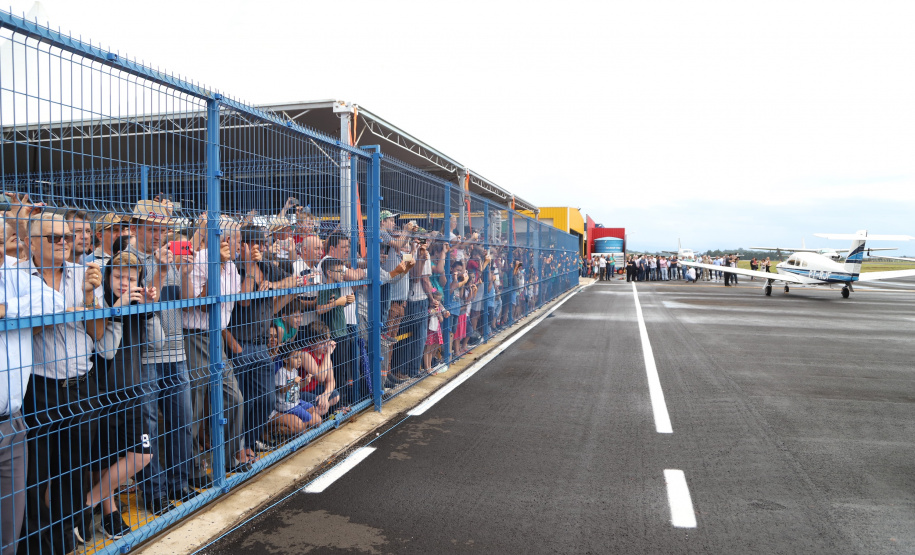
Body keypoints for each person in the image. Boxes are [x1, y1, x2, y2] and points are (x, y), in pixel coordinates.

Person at [20, 213, 107, 551]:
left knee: (74, 468)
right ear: (31, 243)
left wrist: (89, 298)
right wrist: (61, 311)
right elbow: (24, 333)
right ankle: (36, 542)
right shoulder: (19, 278)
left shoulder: (85, 274)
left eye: (67, 237)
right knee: (35, 473)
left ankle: (66, 536)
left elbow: (97, 333)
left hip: (81, 385)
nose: (63, 243)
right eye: (53, 238)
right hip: (39, 388)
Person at [125, 199, 196, 514]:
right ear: (135, 227)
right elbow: (142, 307)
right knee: (149, 428)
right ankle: (154, 492)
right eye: (152, 229)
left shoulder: (169, 256)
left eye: (163, 229)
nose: (159, 235)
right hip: (145, 355)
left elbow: (187, 301)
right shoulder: (128, 259)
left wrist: (185, 271)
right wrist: (162, 268)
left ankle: (180, 482)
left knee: (182, 421)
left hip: (176, 351)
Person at [90, 248, 157, 539]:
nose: (124, 283)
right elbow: (105, 351)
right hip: (103, 394)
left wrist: (150, 310)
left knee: (142, 456)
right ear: (108, 277)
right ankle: (110, 513)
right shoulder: (101, 302)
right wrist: (117, 310)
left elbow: (158, 342)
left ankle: (87, 503)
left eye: (130, 279)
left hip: (132, 393)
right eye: (118, 277)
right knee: (104, 460)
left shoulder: (138, 304)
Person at [182, 216, 252, 481]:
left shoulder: (232, 266)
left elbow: (237, 303)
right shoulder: (201, 259)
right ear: (223, 239)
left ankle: (228, 457)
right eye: (236, 240)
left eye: (238, 240)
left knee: (234, 398)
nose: (238, 245)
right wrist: (215, 266)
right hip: (195, 337)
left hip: (216, 338)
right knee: (195, 405)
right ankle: (192, 467)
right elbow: (201, 305)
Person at [0, 249, 58, 555]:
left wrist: (6, 308)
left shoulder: (14, 274)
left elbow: (54, 301)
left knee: (10, 530)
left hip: (12, 421)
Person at [271, 349, 321, 438]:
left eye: (300, 357)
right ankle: (302, 435)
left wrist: (306, 382)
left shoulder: (294, 370)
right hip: (286, 405)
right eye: (295, 358)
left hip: (295, 401)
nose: (299, 360)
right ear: (286, 360)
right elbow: (281, 390)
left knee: (311, 408)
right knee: (308, 417)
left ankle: (298, 426)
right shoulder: (281, 372)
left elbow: (298, 386)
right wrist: (292, 383)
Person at [300, 321, 341, 418]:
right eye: (322, 343)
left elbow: (331, 381)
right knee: (322, 407)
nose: (326, 345)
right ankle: (311, 418)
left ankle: (314, 413)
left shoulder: (325, 355)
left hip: (314, 390)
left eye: (327, 341)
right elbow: (321, 377)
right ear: (311, 344)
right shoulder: (305, 354)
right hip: (301, 392)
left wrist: (325, 396)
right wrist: (328, 354)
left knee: (335, 395)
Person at [424, 290, 450, 374]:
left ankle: (430, 366)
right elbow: (430, 314)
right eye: (436, 299)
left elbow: (441, 319)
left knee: (432, 349)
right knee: (427, 349)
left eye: (439, 300)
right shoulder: (429, 308)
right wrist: (434, 311)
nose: (437, 302)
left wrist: (439, 312)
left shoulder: (438, 308)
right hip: (430, 331)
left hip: (436, 330)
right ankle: (427, 367)